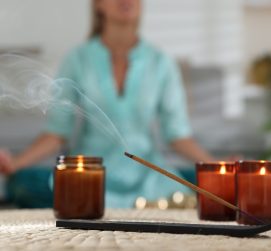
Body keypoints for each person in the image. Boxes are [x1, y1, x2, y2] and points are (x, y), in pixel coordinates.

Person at [0, 0, 213, 208]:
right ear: (98, 4)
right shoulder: (77, 59)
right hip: (89, 178)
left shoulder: (161, 62)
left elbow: (177, 135)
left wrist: (215, 165)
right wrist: (15, 164)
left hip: (148, 177)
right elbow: (56, 133)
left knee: (208, 182)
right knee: (22, 184)